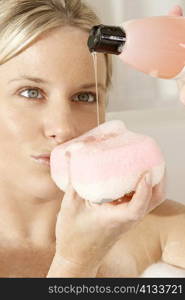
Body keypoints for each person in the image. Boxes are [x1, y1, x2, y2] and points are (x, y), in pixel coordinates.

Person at [0, 0, 184, 278]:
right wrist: (75, 264)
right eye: (31, 92)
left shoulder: (165, 231)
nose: (62, 128)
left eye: (84, 97)